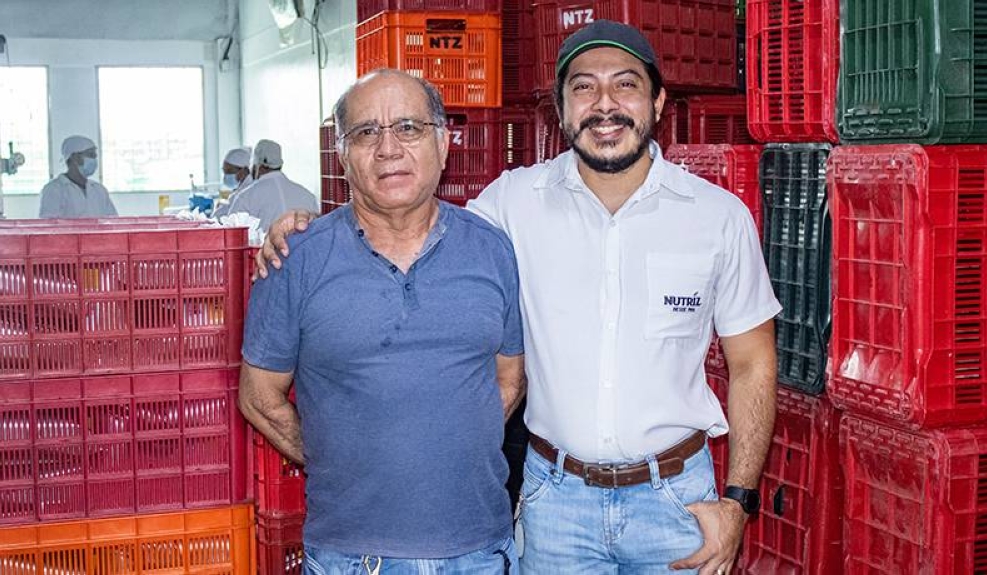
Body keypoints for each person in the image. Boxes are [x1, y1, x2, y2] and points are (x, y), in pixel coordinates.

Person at [257, 20, 780, 575]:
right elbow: (408, 219)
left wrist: (738, 502)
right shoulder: (511, 204)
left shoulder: (717, 217)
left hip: (677, 503)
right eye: (583, 87)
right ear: (561, 110)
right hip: (555, 505)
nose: (605, 104)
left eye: (626, 84)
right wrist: (310, 228)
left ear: (658, 102)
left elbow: (753, 364)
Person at [239, 68, 525, 575]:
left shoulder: (491, 249)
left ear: (443, 143)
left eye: (409, 128)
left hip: (477, 549)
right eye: (366, 132)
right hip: (350, 555)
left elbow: (508, 381)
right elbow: (259, 398)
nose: (388, 147)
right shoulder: (296, 257)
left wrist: (444, 448)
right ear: (343, 155)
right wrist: (340, 459)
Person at [225, 139, 317, 231]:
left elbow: (231, 232)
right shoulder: (308, 196)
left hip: (265, 245)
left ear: (257, 165)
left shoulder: (246, 196)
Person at [39, 136, 118, 218]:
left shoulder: (99, 190)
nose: (94, 160)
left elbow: (112, 220)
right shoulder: (54, 189)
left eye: (95, 156)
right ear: (75, 157)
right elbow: (50, 224)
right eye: (91, 155)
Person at [212, 147, 254, 217]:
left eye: (229, 171)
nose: (226, 176)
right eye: (224, 171)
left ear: (244, 170)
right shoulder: (240, 189)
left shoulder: (249, 191)